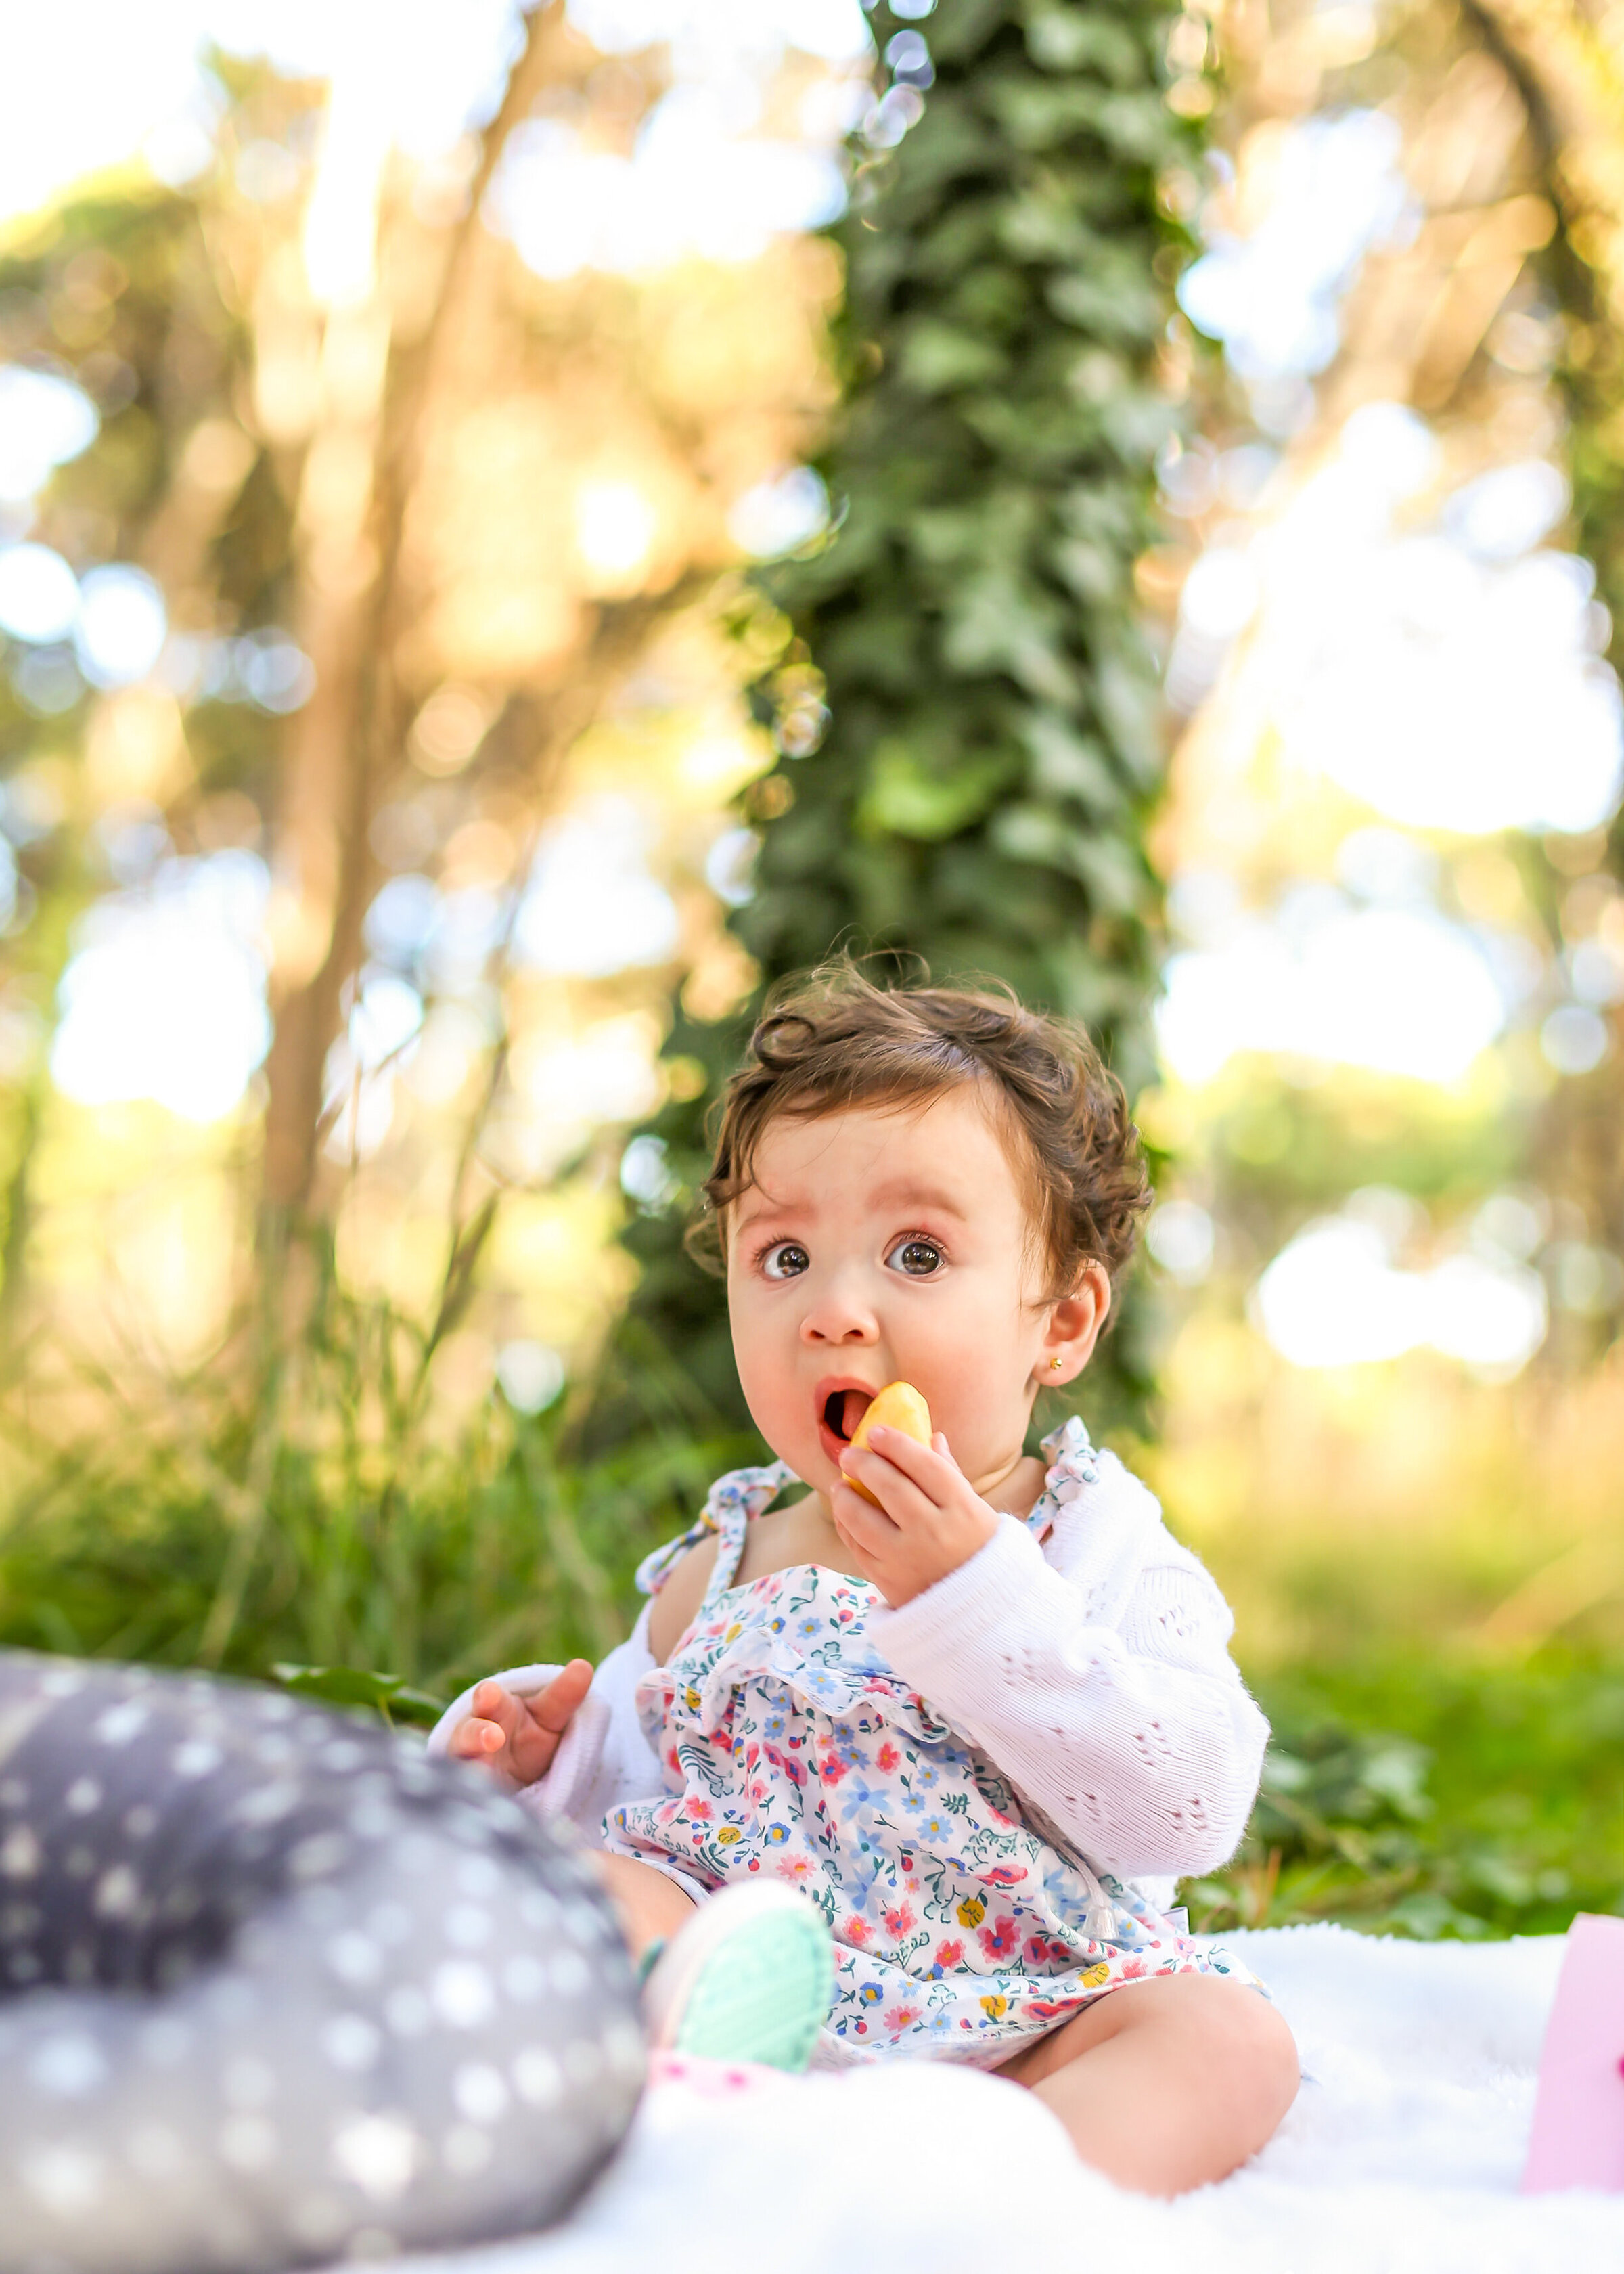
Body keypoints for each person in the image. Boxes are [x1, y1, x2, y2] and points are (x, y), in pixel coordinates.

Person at [433, 968, 1299, 2195]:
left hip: (1023, 2012)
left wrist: (977, 1598)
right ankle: (696, 2103)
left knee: (1226, 2042)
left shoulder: (1091, 1543)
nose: (835, 1310)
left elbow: (1190, 1809)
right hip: (747, 1965)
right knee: (582, 1897)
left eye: (915, 1252)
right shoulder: (721, 1559)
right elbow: (639, 1787)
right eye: (783, 1255)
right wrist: (535, 1772)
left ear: (1059, 1321)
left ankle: (989, 2196)